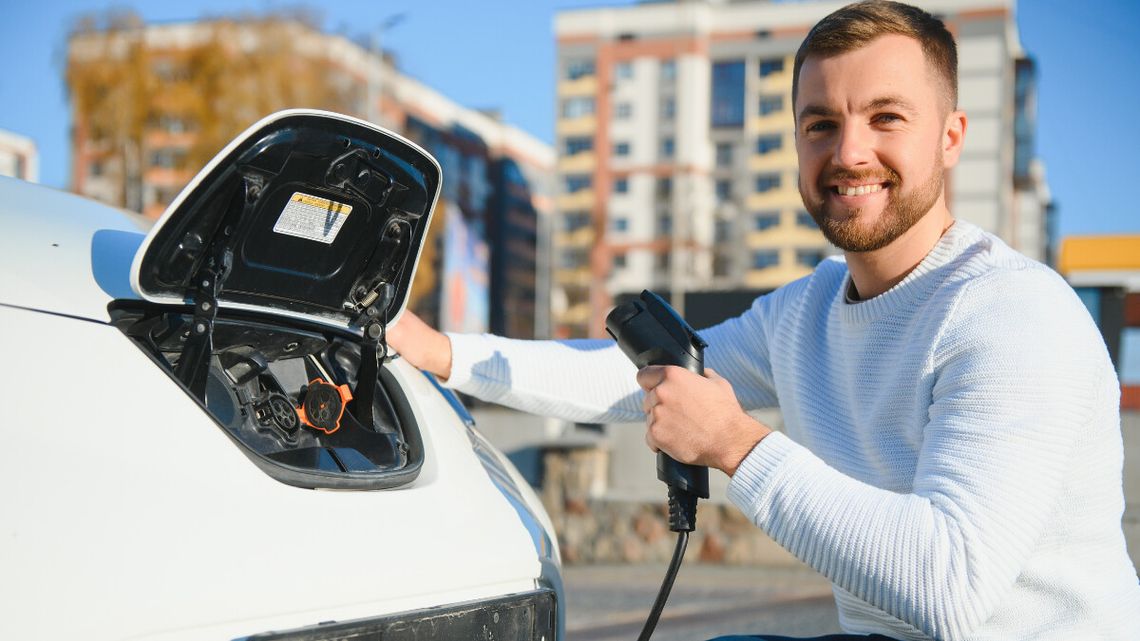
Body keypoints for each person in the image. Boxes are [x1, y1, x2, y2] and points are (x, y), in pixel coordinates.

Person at [388, 1, 1140, 639]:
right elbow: (638, 377)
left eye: (886, 117)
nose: (849, 152)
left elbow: (952, 585)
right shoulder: (807, 310)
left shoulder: (1012, 313)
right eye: (821, 124)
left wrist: (733, 443)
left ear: (950, 137)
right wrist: (444, 351)